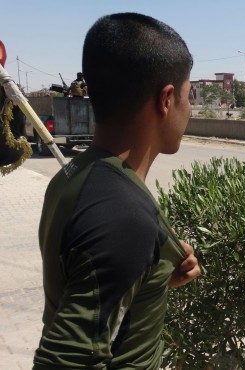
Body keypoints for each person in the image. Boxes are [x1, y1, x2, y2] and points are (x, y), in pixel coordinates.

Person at [33, 13, 200, 369]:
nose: (192, 108)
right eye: (191, 94)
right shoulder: (121, 214)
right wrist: (133, 243)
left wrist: (150, 276)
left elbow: (90, 288)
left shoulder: (76, 176)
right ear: (166, 99)